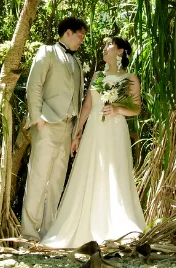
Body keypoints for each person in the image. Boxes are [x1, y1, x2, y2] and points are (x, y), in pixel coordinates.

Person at [41, 36, 146, 248]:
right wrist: (77, 133)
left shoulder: (130, 78)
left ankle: (116, 226)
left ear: (120, 51)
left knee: (115, 172)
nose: (105, 48)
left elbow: (136, 108)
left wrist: (117, 109)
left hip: (115, 130)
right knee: (88, 171)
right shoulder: (98, 76)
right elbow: (88, 106)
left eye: (109, 45)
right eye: (105, 45)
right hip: (94, 130)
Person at [20, 17, 88, 241]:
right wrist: (38, 119)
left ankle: (48, 234)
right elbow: (34, 85)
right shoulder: (47, 52)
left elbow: (78, 98)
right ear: (68, 32)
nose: (82, 40)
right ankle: (29, 234)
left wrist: (76, 131)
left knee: (57, 182)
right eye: (80, 36)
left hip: (68, 128)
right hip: (47, 125)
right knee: (38, 179)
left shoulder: (78, 63)